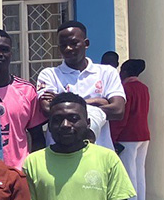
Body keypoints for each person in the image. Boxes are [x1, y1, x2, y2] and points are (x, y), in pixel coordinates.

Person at [36, 21, 126, 149]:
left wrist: (62, 102)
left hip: (99, 151)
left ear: (86, 43)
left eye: (73, 43)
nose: (68, 49)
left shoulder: (107, 73)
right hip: (59, 154)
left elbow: (118, 110)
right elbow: (47, 110)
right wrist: (97, 101)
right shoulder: (49, 75)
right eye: (63, 45)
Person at [0, 30, 44, 169]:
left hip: (18, 173)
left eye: (4, 49)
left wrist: (35, 169)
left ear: (11, 54)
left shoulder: (27, 91)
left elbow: (37, 137)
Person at [113, 59, 150, 200]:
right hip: (143, 134)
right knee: (140, 172)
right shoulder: (144, 88)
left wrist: (114, 137)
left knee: (129, 173)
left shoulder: (126, 88)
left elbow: (122, 116)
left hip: (128, 135)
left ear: (126, 71)